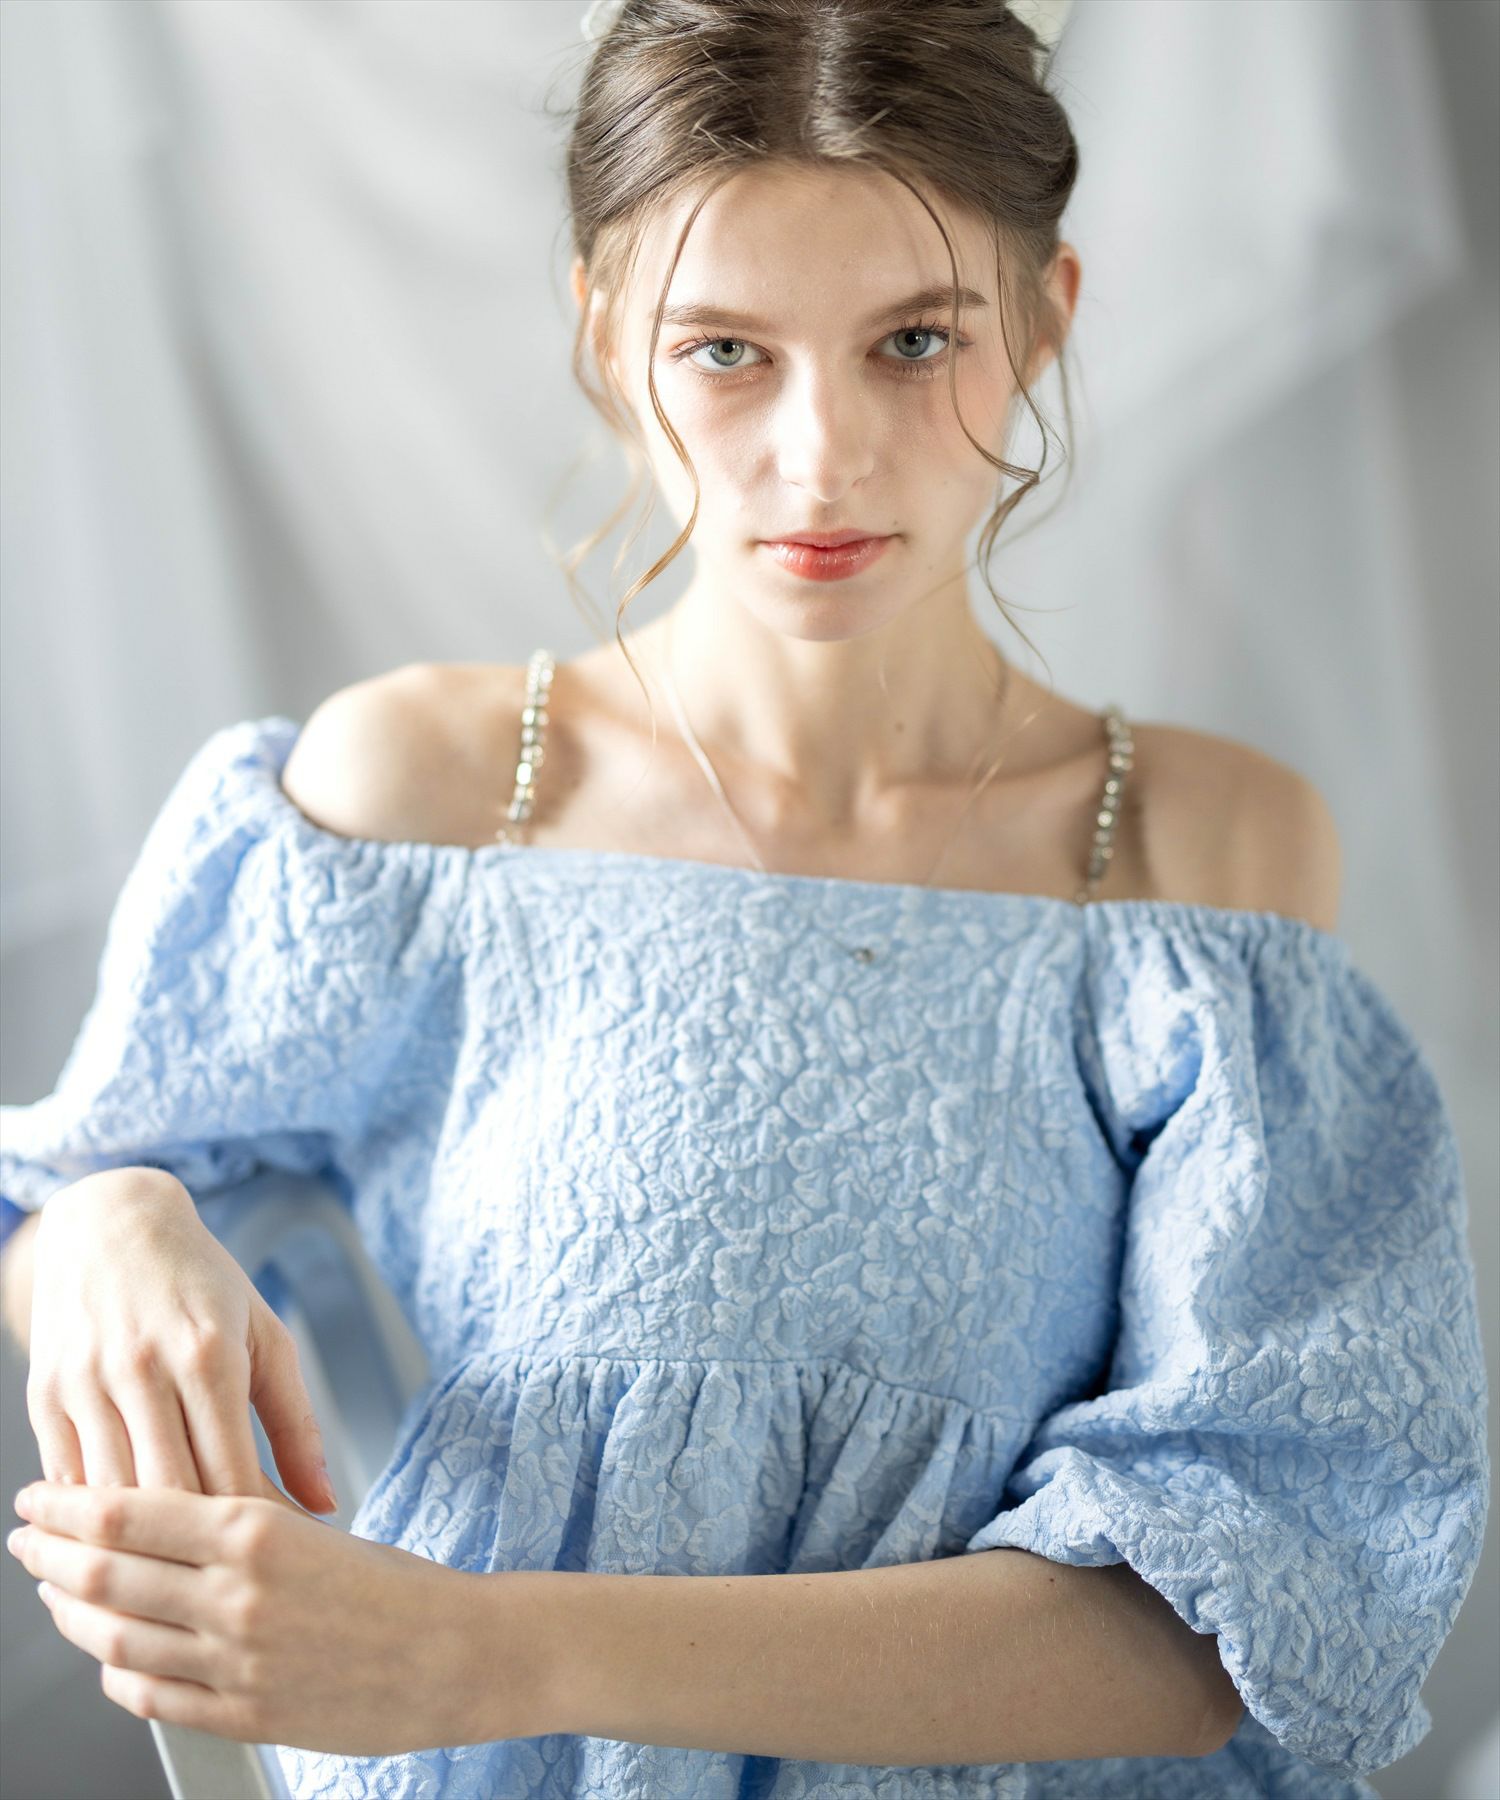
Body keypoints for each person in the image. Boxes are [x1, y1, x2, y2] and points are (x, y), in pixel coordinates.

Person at [0, 1, 1489, 1796]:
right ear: (603, 336)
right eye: (725, 350)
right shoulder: (424, 799)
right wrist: (114, 1215)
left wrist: (493, 1651)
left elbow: (1218, 1613)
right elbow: (53, 1202)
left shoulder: (1195, 863)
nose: (822, 456)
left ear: (1045, 320)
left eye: (914, 341)